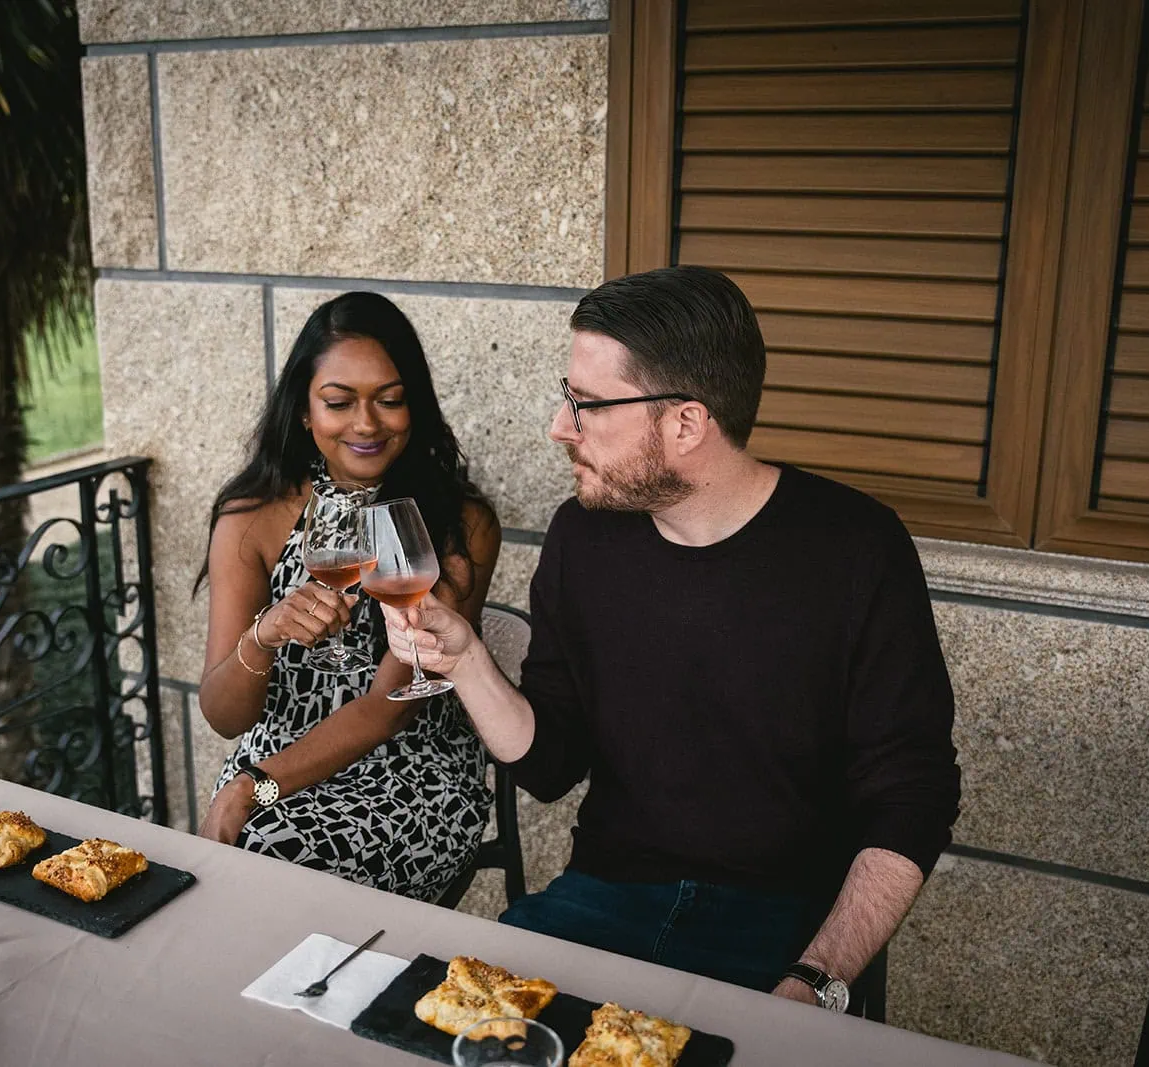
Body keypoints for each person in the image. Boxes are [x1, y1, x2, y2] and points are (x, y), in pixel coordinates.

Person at [382, 266, 960, 1007]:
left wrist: (815, 977)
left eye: (586, 405)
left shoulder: (857, 548)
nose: (561, 427)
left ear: (686, 423)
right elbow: (550, 761)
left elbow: (914, 792)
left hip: (786, 926)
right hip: (602, 898)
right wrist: (466, 660)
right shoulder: (583, 536)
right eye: (568, 399)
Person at [193, 291, 500, 902]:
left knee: (268, 862)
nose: (366, 424)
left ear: (415, 408)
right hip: (276, 757)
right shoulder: (252, 518)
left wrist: (253, 789)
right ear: (305, 412)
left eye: (390, 400)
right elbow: (226, 716)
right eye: (339, 402)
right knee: (244, 875)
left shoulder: (455, 523)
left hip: (413, 770)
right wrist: (265, 635)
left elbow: (393, 705)